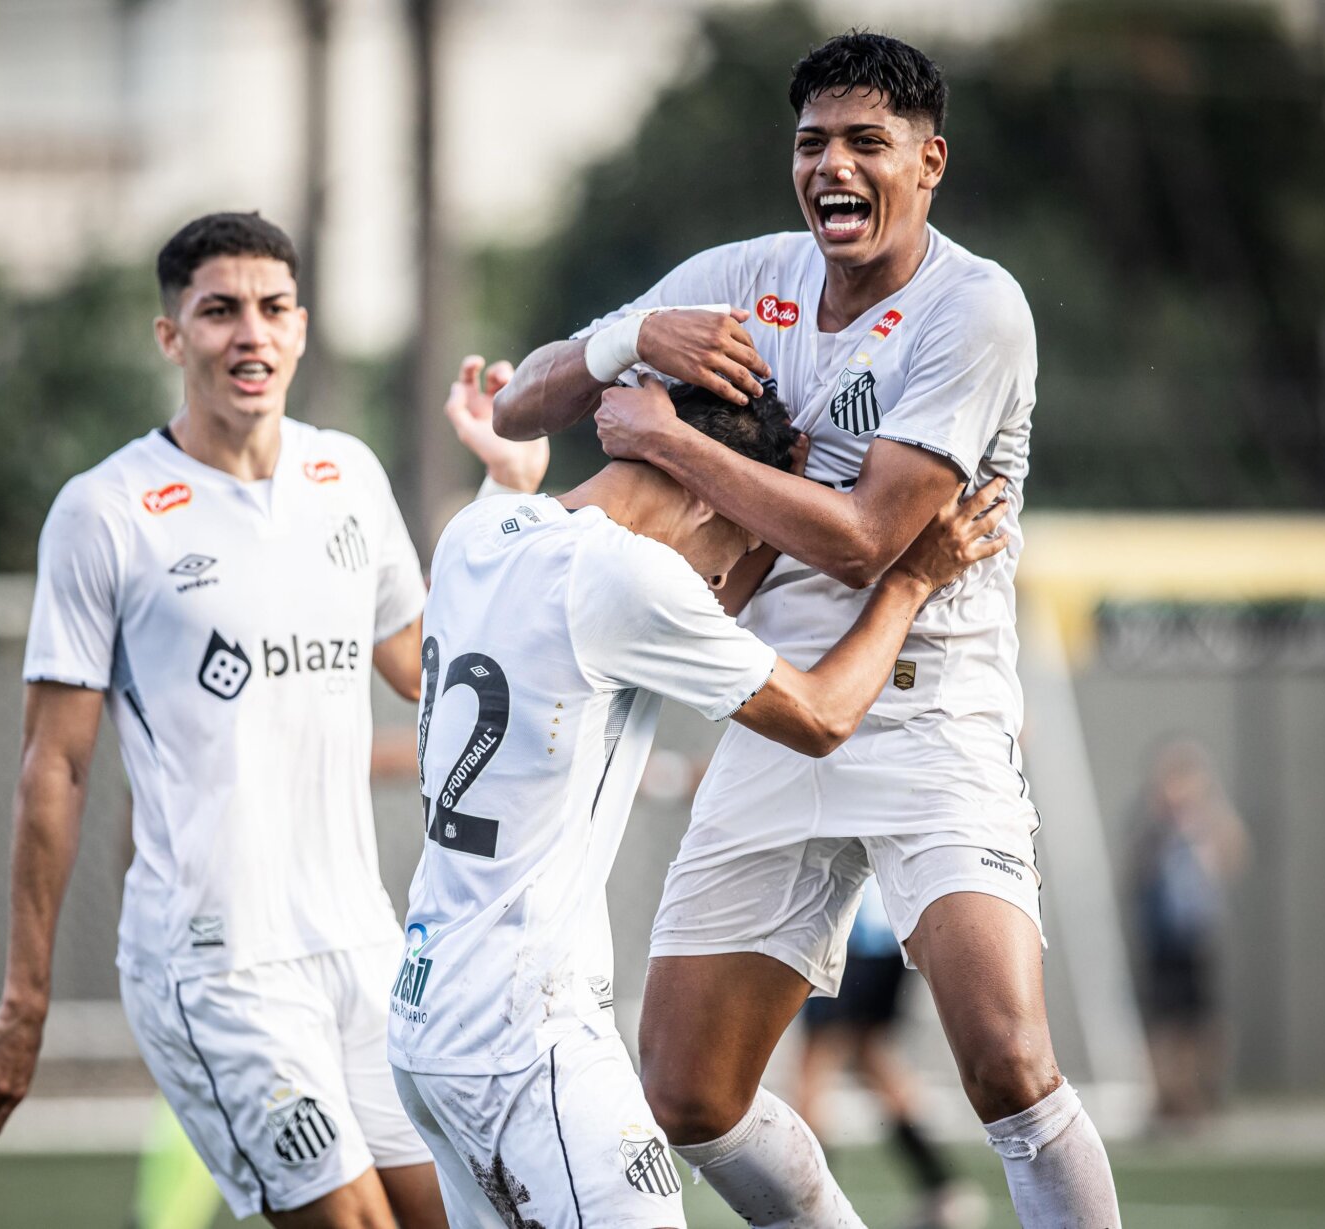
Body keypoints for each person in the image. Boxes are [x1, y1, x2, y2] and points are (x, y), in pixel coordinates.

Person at [492, 30, 1122, 1229]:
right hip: (777, 701)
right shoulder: (742, 277)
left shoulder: (976, 307)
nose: (833, 165)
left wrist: (669, 436)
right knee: (688, 1091)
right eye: (811, 143)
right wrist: (635, 342)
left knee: (1006, 1061)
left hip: (931, 707)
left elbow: (866, 538)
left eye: (865, 143)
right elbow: (522, 401)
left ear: (929, 162)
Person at [0, 212, 544, 1229]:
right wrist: (23, 1003)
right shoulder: (106, 511)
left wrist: (507, 495)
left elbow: (427, 668)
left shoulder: (346, 473)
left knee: (471, 1215)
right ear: (172, 335)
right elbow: (55, 767)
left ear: (301, 328)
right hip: (215, 960)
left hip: (361, 943)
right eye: (219, 311)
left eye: (270, 309)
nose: (249, 334)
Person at [391, 363, 1008, 1229]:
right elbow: (822, 714)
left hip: (424, 1018)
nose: (734, 567)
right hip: (526, 1039)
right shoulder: (626, 582)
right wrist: (909, 580)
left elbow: (698, 599)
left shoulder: (478, 529)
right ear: (711, 495)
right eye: (743, 524)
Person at [795, 879, 986, 1229]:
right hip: (892, 933)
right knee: (870, 1055)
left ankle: (809, 1209)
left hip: (851, 933)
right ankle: (942, 1185)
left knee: (815, 1061)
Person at [1130, 738, 1251, 1129]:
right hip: (1162, 938)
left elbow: (1233, 855)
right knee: (1163, 1020)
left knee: (1200, 1019)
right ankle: (1169, 1097)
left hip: (1196, 936)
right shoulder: (1153, 828)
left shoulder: (1208, 823)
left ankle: (1204, 1093)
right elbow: (1138, 874)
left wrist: (1204, 819)